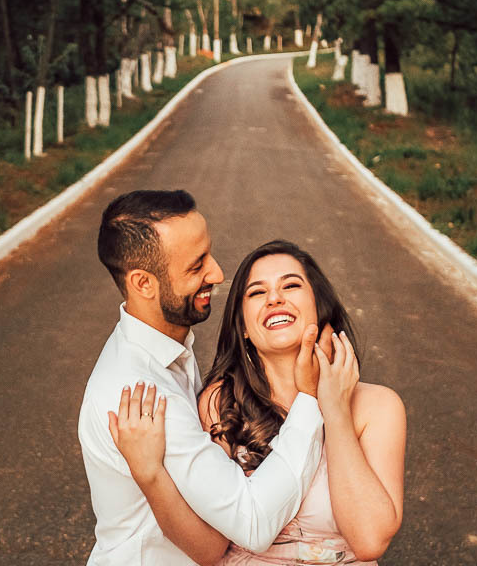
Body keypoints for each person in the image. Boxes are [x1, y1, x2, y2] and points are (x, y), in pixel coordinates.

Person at [110, 240, 407, 565]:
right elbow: (208, 550)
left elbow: (369, 540)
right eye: (256, 292)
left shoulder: (377, 407)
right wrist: (150, 474)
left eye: (291, 285)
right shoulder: (221, 403)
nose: (275, 298)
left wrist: (335, 412)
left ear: (320, 308)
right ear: (243, 327)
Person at [79, 191, 331, 566]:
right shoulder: (141, 394)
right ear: (143, 284)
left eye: (208, 255)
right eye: (196, 267)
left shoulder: (166, 350)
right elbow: (253, 522)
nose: (217, 273)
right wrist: (309, 399)